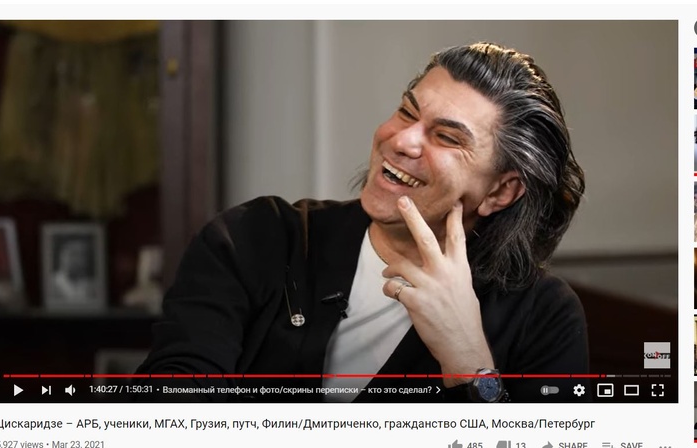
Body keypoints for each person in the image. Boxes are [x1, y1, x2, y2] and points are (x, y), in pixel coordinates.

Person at [135, 42, 588, 403]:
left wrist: (470, 363)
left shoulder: (543, 315)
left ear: (499, 192)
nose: (402, 140)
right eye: (407, 112)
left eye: (447, 137)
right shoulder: (253, 238)